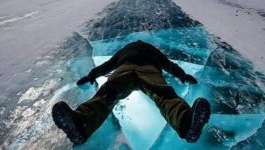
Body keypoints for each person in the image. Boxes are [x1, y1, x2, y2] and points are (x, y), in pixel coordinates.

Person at [52, 40, 211, 144]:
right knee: (110, 92)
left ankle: (186, 123)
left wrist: (183, 75)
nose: (138, 42)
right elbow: (108, 64)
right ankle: (80, 125)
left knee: (161, 93)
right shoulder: (132, 50)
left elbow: (168, 64)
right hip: (138, 68)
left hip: (134, 69)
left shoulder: (142, 50)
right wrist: (91, 75)